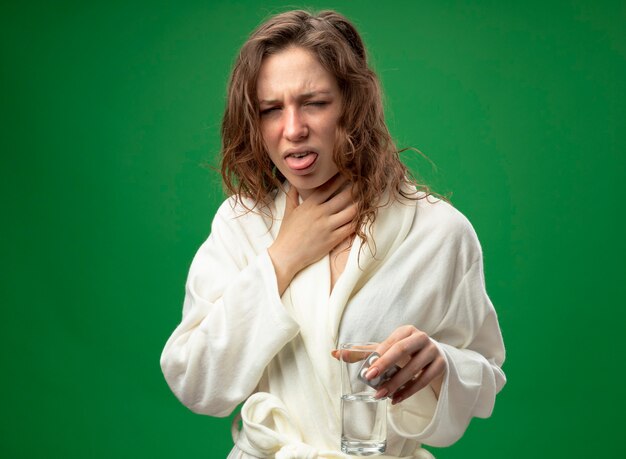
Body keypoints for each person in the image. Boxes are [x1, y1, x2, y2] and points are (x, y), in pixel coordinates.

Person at [160, 9, 506, 459]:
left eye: (315, 102)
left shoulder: (440, 232)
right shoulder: (242, 224)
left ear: (353, 103)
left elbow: (485, 374)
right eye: (270, 110)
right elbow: (194, 380)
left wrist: (442, 366)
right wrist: (281, 259)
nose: (292, 129)